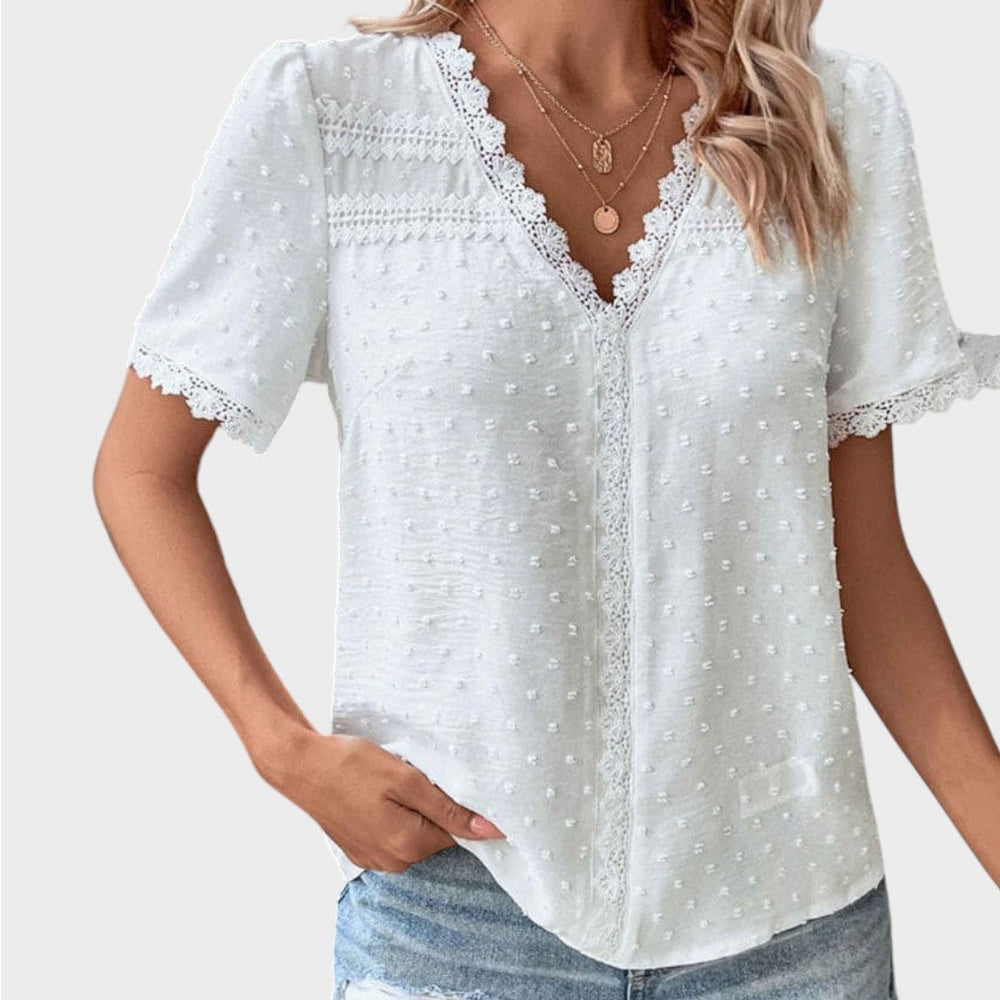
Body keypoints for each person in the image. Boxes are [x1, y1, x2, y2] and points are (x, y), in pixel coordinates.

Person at [93, 0, 1000, 997]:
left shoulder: (826, 119)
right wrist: (282, 747)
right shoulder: (332, 111)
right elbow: (141, 471)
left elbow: (863, 563)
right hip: (455, 921)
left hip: (792, 929)